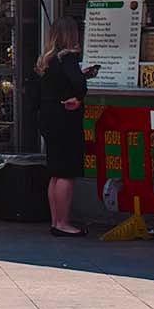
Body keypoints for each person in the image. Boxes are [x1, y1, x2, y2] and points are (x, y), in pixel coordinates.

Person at [36, 15, 97, 237]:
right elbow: (78, 83)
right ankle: (63, 223)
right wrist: (80, 96)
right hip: (65, 117)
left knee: (56, 172)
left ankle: (56, 220)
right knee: (67, 173)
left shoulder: (48, 59)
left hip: (49, 116)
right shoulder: (68, 58)